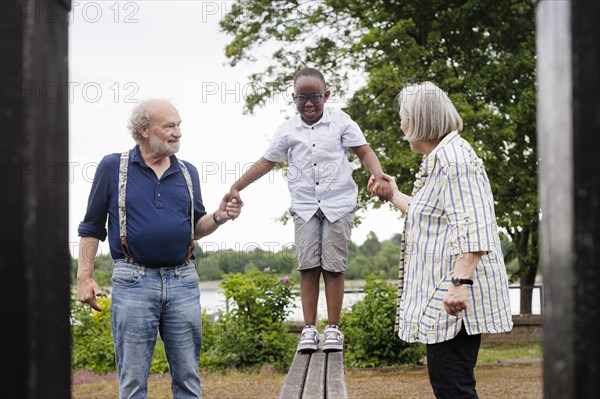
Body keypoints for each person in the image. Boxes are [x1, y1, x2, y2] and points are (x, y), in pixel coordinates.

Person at [76, 99, 241, 399]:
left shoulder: (188, 172)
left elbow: (195, 229)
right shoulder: (113, 167)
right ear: (143, 130)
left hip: (183, 281)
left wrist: (219, 216)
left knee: (189, 378)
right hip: (133, 281)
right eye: (169, 126)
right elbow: (91, 228)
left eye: (179, 125)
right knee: (134, 382)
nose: (178, 132)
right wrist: (84, 278)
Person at [227, 67, 391, 353]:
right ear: (293, 98)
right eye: (301, 98)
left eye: (315, 97)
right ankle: (309, 329)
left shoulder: (341, 122)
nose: (309, 103)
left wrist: (378, 174)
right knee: (308, 266)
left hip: (338, 204)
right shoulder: (288, 129)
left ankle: (334, 329)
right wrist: (237, 186)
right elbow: (266, 162)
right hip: (304, 207)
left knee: (334, 266)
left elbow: (364, 151)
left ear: (326, 95)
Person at [369, 81, 513, 398]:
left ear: (421, 120)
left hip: (453, 299)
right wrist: (393, 194)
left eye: (404, 115)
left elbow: (475, 224)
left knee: (454, 389)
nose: (401, 123)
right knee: (448, 386)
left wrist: (461, 282)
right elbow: (434, 216)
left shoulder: (455, 161)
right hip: (443, 298)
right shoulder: (441, 160)